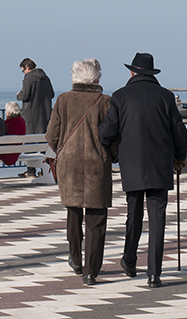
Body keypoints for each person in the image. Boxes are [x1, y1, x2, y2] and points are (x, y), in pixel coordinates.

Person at [99, 52, 187, 289]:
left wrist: (113, 151)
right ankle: (154, 274)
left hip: (132, 165)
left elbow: (106, 133)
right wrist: (180, 157)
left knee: (134, 216)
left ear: (132, 72)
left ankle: (129, 260)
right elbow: (179, 132)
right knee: (158, 220)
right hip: (160, 166)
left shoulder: (120, 96)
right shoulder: (166, 96)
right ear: (152, 73)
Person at [46, 59, 116, 286]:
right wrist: (110, 155)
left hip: (70, 164)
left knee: (73, 213)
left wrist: (63, 151)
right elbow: (114, 134)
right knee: (96, 218)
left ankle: (76, 259)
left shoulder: (63, 100)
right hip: (97, 164)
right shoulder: (105, 101)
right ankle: (91, 270)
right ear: (97, 78)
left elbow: (52, 134)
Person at [17, 58, 55, 178]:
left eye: (23, 70)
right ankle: (46, 169)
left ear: (27, 68)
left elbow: (25, 95)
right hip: (45, 114)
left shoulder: (29, 78)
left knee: (29, 142)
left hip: (31, 115)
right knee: (44, 142)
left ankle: (31, 170)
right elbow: (52, 94)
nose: (24, 73)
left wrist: (19, 95)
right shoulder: (45, 77)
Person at [0, 101, 26, 166]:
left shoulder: (6, 124)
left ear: (7, 113)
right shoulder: (22, 122)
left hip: (6, 154)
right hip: (16, 153)